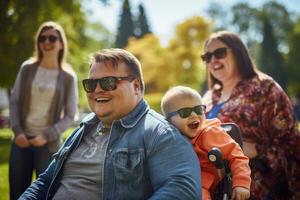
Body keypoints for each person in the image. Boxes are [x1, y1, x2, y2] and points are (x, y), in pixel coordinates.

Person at [19, 48, 201, 200]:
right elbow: (45, 182)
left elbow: (182, 190)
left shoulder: (159, 133)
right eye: (91, 84)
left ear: (136, 86)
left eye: (108, 82)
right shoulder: (84, 127)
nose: (97, 89)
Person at [200, 30, 300, 199]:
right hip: (215, 191)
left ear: (238, 53)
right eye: (207, 57)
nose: (213, 60)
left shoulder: (265, 88)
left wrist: (256, 150)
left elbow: (291, 145)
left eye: (219, 53)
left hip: (259, 191)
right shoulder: (209, 96)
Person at [9, 21, 78, 200]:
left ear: (61, 43)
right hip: (20, 141)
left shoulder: (68, 77)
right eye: (42, 38)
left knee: (46, 194)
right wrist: (18, 132)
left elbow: (70, 114)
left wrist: (47, 135)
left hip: (48, 145)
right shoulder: (27, 68)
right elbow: (15, 102)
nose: (46, 42)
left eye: (52, 38)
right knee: (17, 193)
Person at [161, 86, 251, 200]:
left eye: (198, 110)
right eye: (185, 112)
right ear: (169, 121)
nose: (194, 115)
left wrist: (241, 183)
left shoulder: (210, 134)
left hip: (202, 185)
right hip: (179, 183)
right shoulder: (170, 139)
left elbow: (238, 157)